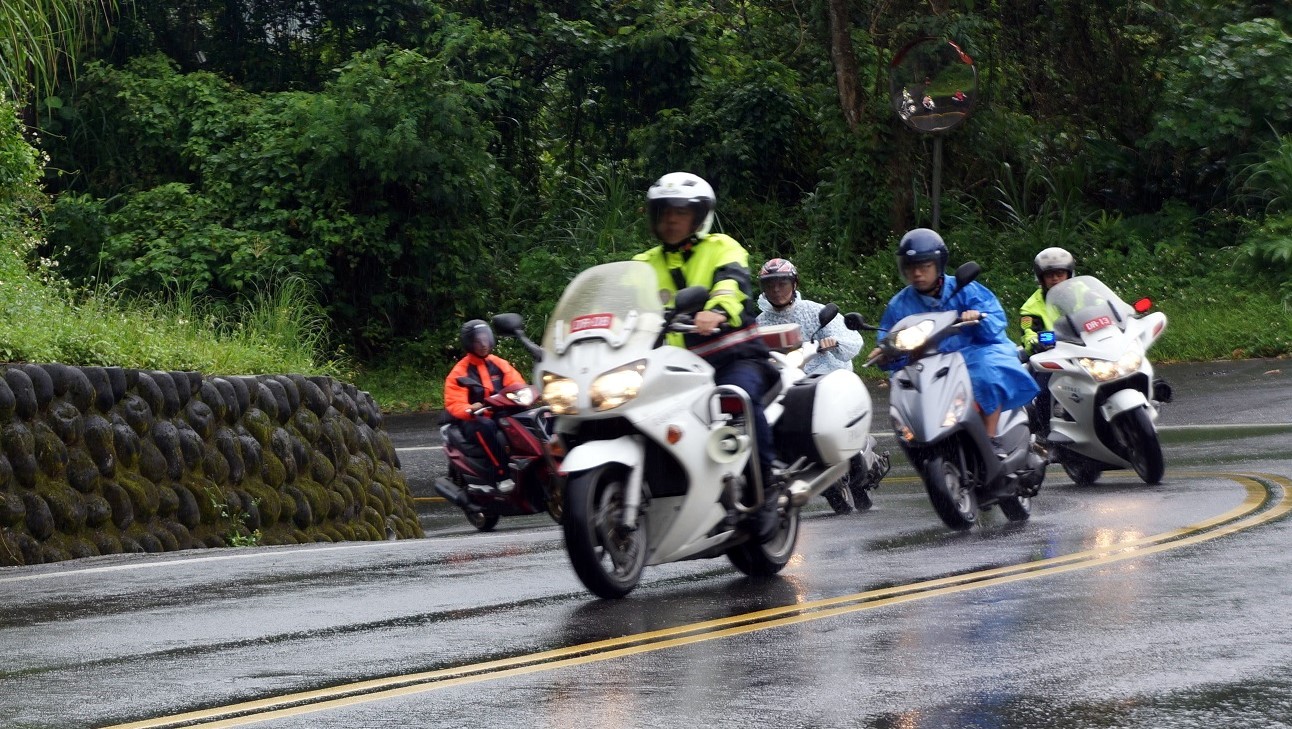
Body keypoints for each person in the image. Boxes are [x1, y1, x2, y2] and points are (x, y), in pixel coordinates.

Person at [633, 171, 781, 542]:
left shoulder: (723, 247)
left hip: (733, 358)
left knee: (737, 400)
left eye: (679, 212)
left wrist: (716, 309)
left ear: (699, 216)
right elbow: (622, 302)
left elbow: (732, 283)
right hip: (672, 370)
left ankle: (766, 494)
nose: (670, 220)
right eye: (663, 212)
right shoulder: (642, 263)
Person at [869, 228, 1038, 454]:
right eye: (911, 267)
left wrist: (977, 316)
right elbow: (888, 335)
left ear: (938, 265)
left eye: (924, 266)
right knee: (907, 392)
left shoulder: (965, 288)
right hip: (928, 361)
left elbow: (996, 318)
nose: (917, 273)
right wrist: (883, 352)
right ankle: (923, 442)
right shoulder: (899, 304)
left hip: (972, 351)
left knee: (986, 372)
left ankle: (990, 439)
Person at [443, 319, 526, 489]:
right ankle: (501, 475)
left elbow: (517, 383)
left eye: (485, 339)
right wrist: (469, 409)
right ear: (469, 343)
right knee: (486, 427)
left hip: (500, 412)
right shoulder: (460, 371)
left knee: (528, 418)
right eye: (477, 341)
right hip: (473, 420)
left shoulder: (499, 363)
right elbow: (454, 402)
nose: (483, 344)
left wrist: (526, 395)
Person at [756, 257, 862, 375]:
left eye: (782, 284)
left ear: (794, 285)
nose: (776, 290)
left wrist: (834, 342)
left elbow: (852, 339)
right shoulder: (760, 323)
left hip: (826, 376)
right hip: (784, 378)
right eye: (770, 286)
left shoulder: (814, 310)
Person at [1018, 247, 1075, 440]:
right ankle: (1045, 435)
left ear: (1069, 274)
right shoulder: (1031, 306)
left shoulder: (1083, 292)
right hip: (1051, 355)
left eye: (1060, 273)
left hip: (1085, 349)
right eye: (1050, 275)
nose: (1055, 279)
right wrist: (1035, 340)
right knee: (1043, 391)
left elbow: (1103, 307)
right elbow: (1027, 332)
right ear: (1041, 278)